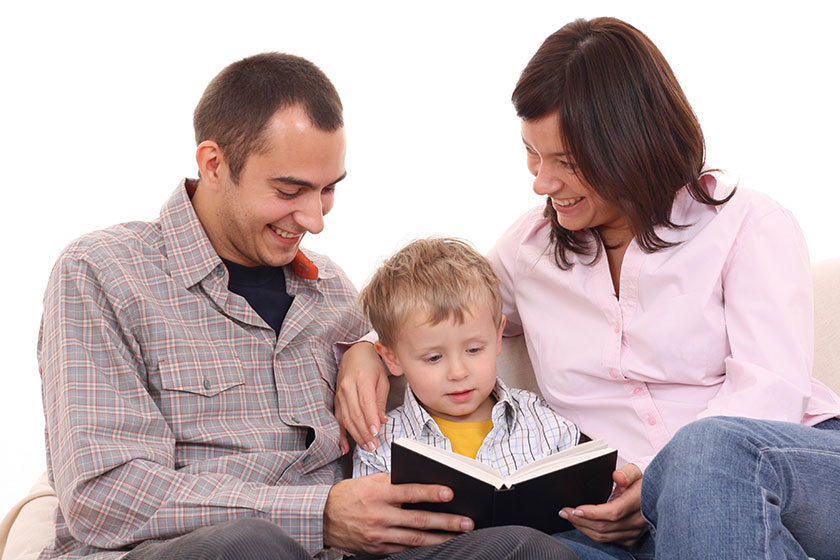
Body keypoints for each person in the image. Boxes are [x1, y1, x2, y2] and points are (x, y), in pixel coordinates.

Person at [334, 17, 840, 560]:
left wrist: (654, 479)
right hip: (619, 527)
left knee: (706, 451)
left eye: (568, 164)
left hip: (784, 472)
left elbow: (769, 395)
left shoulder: (747, 224)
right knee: (520, 550)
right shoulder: (529, 250)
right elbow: (440, 305)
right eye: (533, 153)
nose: (541, 182)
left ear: (633, 147)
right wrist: (365, 349)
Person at [38, 53, 572, 560]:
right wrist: (317, 514)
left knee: (528, 549)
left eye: (328, 191)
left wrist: (364, 348)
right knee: (250, 546)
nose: (314, 220)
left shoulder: (333, 292)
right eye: (290, 190)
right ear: (215, 163)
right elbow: (103, 495)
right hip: (201, 549)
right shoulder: (103, 272)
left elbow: (411, 352)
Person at [352, 237, 580, 480]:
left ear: (497, 336)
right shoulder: (380, 448)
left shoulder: (545, 422)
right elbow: (369, 516)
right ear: (392, 358)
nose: (458, 373)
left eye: (473, 350)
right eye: (434, 358)